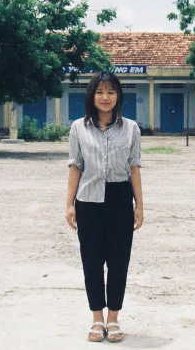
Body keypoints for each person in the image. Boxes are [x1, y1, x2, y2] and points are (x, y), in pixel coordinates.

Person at [66, 71, 144, 343]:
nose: (105, 97)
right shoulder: (78, 128)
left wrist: (139, 206)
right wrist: (69, 204)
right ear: (91, 96)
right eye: (100, 92)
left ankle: (113, 319)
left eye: (111, 92)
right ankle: (97, 319)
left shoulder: (131, 128)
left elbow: (134, 167)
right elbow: (76, 166)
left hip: (121, 198)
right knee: (92, 262)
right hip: (88, 200)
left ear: (118, 96)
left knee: (119, 261)